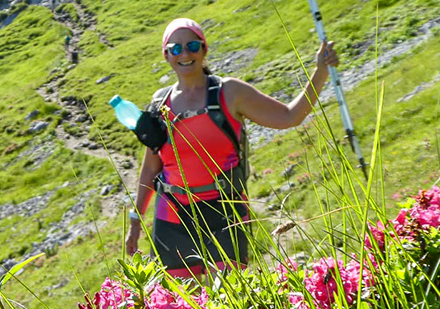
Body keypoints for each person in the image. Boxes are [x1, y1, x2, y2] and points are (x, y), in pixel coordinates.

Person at [125, 17, 339, 278]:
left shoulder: (230, 92)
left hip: (225, 211)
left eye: (192, 45)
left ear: (204, 49)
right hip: (172, 215)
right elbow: (150, 167)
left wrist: (320, 72)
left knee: (231, 305)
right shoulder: (160, 102)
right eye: (176, 48)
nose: (185, 54)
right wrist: (136, 221)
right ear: (167, 55)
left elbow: (289, 116)